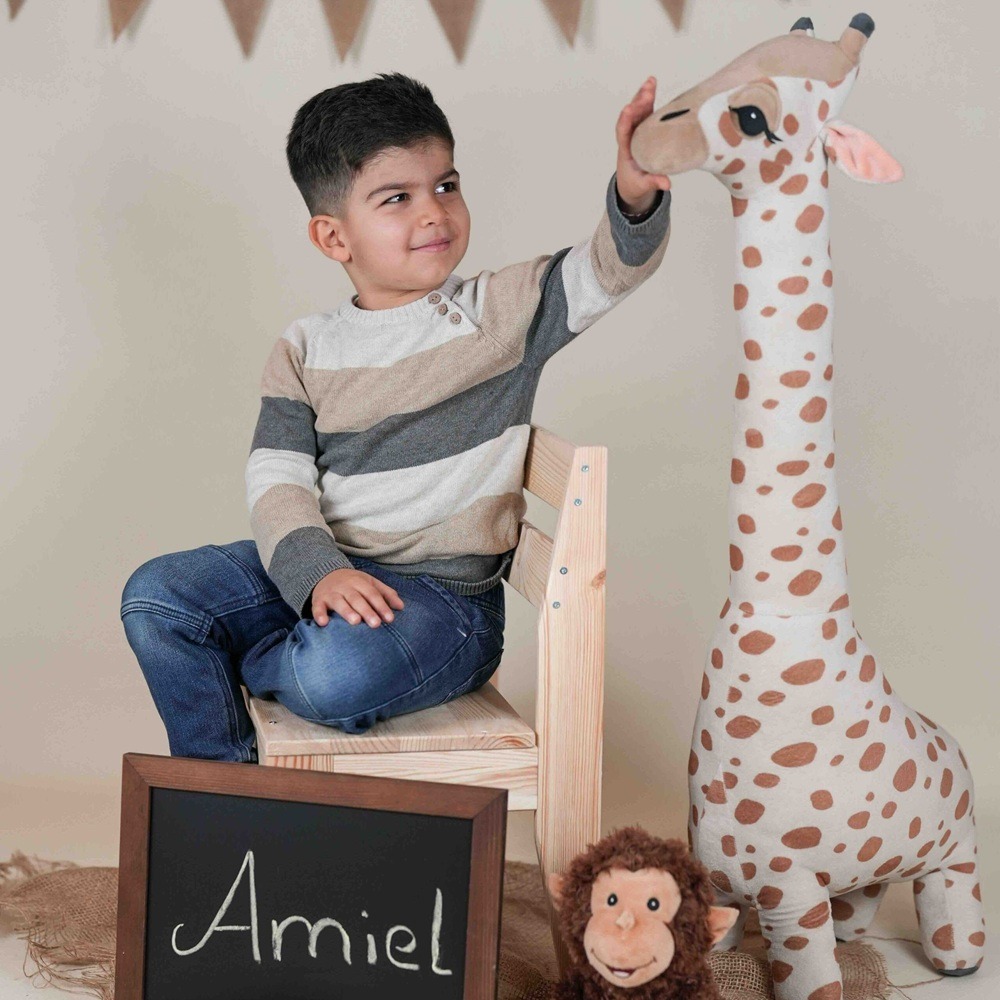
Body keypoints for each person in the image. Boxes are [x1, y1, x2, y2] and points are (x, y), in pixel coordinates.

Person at [120, 72, 673, 763]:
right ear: (334, 236)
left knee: (331, 676)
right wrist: (319, 574)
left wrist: (635, 193)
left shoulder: (500, 313)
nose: (434, 213)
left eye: (446, 185)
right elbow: (278, 481)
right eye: (396, 198)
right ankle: (222, 789)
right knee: (158, 598)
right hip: (332, 568)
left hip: (444, 605)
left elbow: (609, 269)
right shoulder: (304, 349)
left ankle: (263, 661)